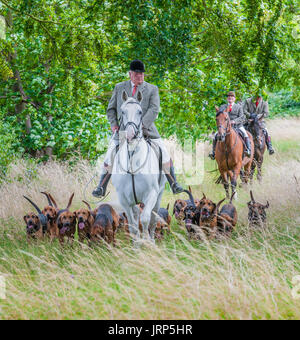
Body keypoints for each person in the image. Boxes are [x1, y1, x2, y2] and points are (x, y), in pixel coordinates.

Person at [92, 59, 184, 197]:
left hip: (146, 131)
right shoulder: (119, 87)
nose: (140, 76)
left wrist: (141, 125)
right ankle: (101, 187)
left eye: (142, 74)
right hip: (123, 132)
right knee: (109, 155)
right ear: (130, 74)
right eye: (137, 74)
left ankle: (173, 183)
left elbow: (154, 109)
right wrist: (114, 124)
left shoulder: (152, 89)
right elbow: (111, 109)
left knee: (163, 153)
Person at [209, 91, 251, 160]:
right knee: (216, 135)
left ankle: (248, 150)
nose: (230, 98)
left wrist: (234, 121)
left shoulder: (239, 107)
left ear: (234, 99)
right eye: (229, 97)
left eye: (232, 97)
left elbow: (242, 117)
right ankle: (213, 152)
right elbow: (220, 116)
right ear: (227, 99)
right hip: (225, 127)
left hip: (237, 126)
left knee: (245, 134)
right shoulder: (223, 107)